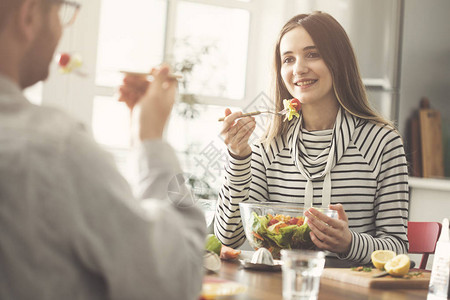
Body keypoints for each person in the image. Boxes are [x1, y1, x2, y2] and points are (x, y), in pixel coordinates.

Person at [0, 0, 205, 299]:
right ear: (28, 14)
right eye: (59, 12)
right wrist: (150, 140)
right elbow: (177, 278)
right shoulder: (54, 147)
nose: (61, 28)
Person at [215, 11, 408, 265]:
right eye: (288, 59)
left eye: (312, 54)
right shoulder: (269, 146)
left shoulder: (382, 143)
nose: (299, 68)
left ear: (338, 61)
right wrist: (238, 158)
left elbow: (397, 249)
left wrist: (349, 243)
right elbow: (230, 237)